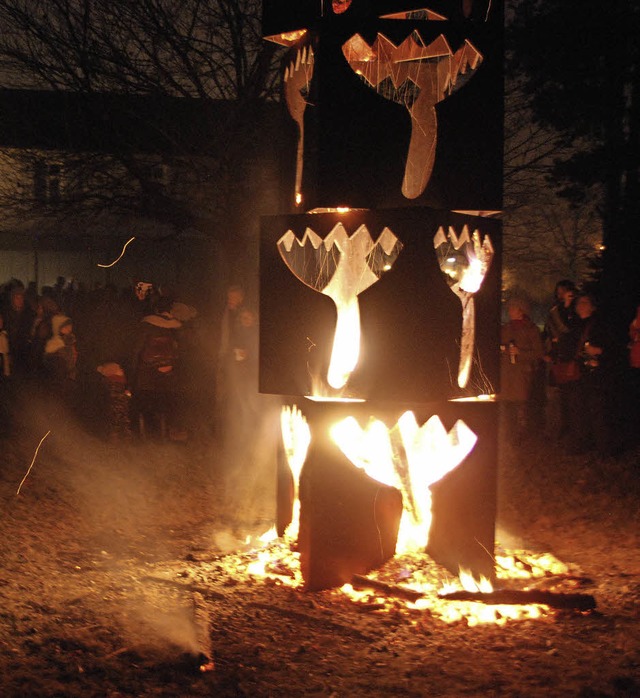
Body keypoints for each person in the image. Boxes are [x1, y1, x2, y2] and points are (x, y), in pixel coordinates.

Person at [130, 295, 183, 440]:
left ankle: (144, 433)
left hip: (147, 370)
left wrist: (133, 370)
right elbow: (181, 350)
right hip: (168, 370)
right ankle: (165, 432)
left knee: (145, 401)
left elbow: (137, 349)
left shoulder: (147, 324)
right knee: (164, 402)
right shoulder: (176, 326)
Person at [565, 293, 612, 456]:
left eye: (585, 302)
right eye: (579, 303)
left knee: (597, 411)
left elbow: (613, 348)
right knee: (577, 409)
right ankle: (581, 443)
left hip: (595, 375)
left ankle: (603, 448)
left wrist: (599, 352)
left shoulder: (600, 325)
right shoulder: (574, 325)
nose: (581, 305)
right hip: (578, 374)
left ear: (592, 306)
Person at [500, 297, 544, 440]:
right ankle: (510, 432)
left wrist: (521, 354)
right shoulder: (506, 328)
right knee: (508, 405)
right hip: (508, 373)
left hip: (522, 373)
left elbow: (538, 352)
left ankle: (522, 433)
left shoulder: (531, 329)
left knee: (521, 405)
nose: (510, 311)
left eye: (513, 308)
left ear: (521, 311)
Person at [543, 280, 578, 439]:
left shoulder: (575, 311)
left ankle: (571, 429)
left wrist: (568, 306)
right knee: (554, 397)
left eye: (564, 291)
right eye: (559, 291)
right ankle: (554, 430)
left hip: (570, 359)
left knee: (571, 397)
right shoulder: (554, 312)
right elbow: (547, 332)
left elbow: (570, 331)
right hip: (555, 358)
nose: (561, 294)